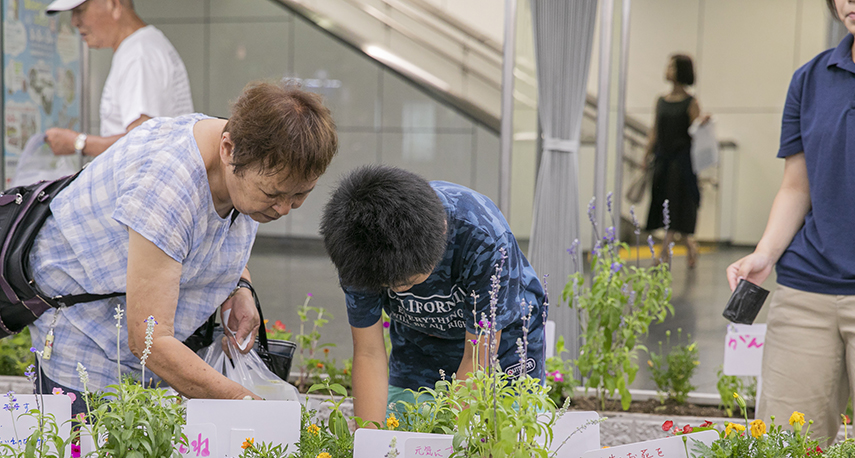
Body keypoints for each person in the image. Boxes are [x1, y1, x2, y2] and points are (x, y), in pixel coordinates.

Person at [27, 82, 338, 414]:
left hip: (147, 359)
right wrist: (247, 406)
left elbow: (210, 238)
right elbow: (149, 340)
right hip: (88, 348)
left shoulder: (249, 158)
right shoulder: (168, 187)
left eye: (300, 196)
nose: (284, 209)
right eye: (273, 194)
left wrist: (240, 287)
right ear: (229, 150)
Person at [726, 0, 855, 446]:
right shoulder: (810, 78)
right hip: (805, 289)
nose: (852, 1)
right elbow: (797, 186)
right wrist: (765, 254)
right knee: (783, 452)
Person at [320, 165, 546, 427]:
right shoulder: (356, 248)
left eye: (406, 282)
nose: (396, 291)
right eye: (386, 285)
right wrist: (368, 443)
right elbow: (368, 352)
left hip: (502, 342)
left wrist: (449, 442)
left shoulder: (483, 237)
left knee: (500, 437)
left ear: (441, 233)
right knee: (402, 434)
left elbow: (477, 359)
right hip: (420, 340)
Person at [43, 0, 194, 158]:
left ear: (114, 5)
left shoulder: (138, 55)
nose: (74, 22)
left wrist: (77, 143)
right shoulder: (141, 46)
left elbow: (142, 142)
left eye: (80, 10)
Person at [644, 53, 705, 268]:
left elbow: (698, 132)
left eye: (672, 66)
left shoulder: (691, 102)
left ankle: (663, 254)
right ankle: (691, 245)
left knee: (676, 206)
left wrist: (703, 122)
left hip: (682, 164)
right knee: (666, 206)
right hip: (663, 160)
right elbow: (654, 131)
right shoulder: (660, 101)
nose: (667, 70)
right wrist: (646, 155)